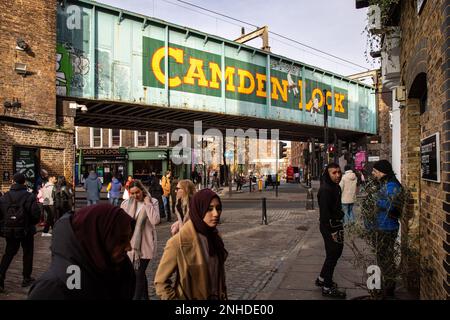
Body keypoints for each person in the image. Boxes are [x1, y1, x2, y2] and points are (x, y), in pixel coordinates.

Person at [28, 204, 136, 299]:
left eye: (128, 238)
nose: (129, 247)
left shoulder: (123, 272)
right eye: (120, 240)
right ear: (96, 239)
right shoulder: (53, 289)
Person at [154, 189, 227, 300]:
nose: (216, 214)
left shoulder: (215, 237)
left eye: (218, 208)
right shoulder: (178, 242)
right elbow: (161, 282)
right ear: (199, 209)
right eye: (210, 209)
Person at [0, 173, 41, 292]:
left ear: (13, 181)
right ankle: (26, 278)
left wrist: (6, 225)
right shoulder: (29, 196)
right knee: (27, 253)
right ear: (24, 182)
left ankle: (1, 276)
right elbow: (35, 214)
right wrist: (30, 223)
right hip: (26, 230)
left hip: (10, 230)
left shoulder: (4, 197)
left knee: (9, 253)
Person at [369, 160, 403, 299]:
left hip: (387, 227)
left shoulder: (392, 185)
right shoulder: (384, 183)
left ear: (382, 172)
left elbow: (390, 204)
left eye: (375, 171)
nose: (373, 173)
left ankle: (389, 291)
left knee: (386, 260)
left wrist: (374, 198)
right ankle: (384, 287)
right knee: (382, 258)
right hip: (381, 226)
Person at [121, 180, 160, 300]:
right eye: (132, 193)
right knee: (140, 275)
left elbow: (155, 221)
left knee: (137, 274)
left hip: (145, 245)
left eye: (137, 192)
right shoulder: (126, 204)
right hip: (130, 245)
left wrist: (148, 204)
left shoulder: (153, 202)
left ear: (142, 190)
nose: (135, 196)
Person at [315, 163, 346, 298]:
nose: (338, 175)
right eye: (334, 173)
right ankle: (327, 288)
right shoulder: (326, 190)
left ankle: (322, 279)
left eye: (339, 172)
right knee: (333, 255)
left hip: (336, 225)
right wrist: (333, 231)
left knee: (334, 255)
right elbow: (325, 215)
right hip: (330, 227)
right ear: (327, 174)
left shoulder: (336, 187)